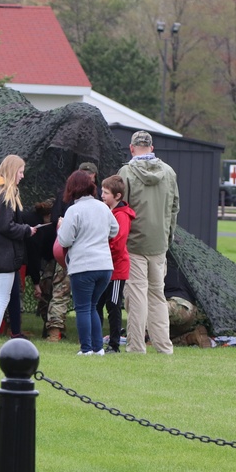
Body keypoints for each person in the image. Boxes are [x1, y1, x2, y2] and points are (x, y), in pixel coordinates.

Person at [118, 131, 180, 355]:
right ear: (151, 148)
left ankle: (136, 346)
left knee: (136, 295)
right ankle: (164, 346)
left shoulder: (125, 172)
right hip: (159, 243)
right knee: (157, 296)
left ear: (132, 148)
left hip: (133, 244)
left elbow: (120, 209)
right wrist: (167, 236)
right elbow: (174, 208)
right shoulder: (169, 172)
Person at [0, 155, 37, 351]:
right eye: (20, 171)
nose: (22, 175)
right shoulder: (6, 193)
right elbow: (6, 226)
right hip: (3, 255)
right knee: (1, 299)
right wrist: (26, 230)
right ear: (12, 171)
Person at [57, 170, 118, 356]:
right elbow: (114, 231)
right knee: (92, 306)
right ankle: (98, 348)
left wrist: (61, 228)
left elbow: (65, 241)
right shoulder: (102, 207)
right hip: (105, 266)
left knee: (83, 307)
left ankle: (86, 349)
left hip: (84, 266)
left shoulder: (73, 211)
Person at [44, 163, 98, 342]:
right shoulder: (96, 203)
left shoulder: (67, 197)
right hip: (79, 254)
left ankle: (57, 331)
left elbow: (55, 222)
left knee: (65, 293)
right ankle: (56, 330)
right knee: (66, 292)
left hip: (69, 252)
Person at [97, 174, 135, 353]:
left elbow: (118, 244)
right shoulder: (106, 211)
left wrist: (102, 253)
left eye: (106, 193)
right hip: (104, 266)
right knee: (97, 303)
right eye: (102, 191)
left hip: (116, 269)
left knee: (112, 305)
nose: (102, 195)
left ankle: (114, 344)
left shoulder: (122, 216)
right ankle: (96, 340)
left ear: (117, 196)